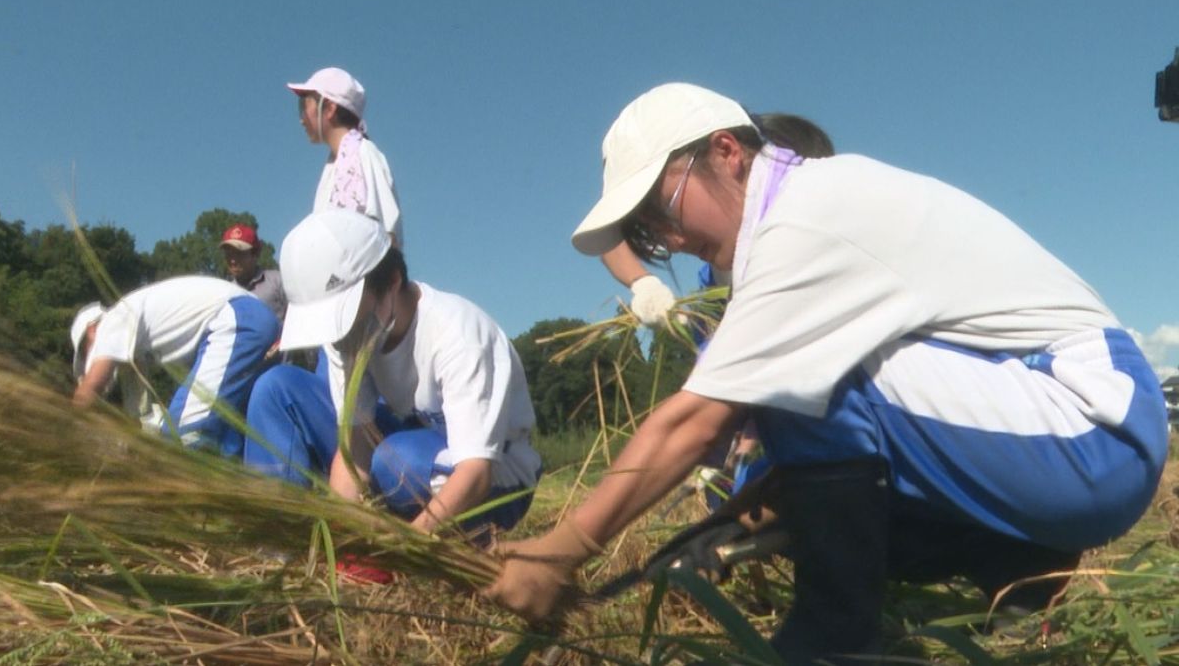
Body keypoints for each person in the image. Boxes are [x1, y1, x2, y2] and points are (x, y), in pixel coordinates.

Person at [483, 83, 1168, 663]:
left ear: (727, 151)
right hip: (1064, 436)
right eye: (648, 237)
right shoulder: (800, 214)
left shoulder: (809, 211)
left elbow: (695, 422)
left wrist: (559, 553)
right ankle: (1018, 575)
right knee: (810, 468)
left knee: (797, 375)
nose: (671, 240)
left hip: (1094, 424)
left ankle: (837, 631)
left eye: (661, 210)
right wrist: (737, 520)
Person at [242, 208, 541, 540]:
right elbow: (353, 445)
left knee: (395, 460)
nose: (343, 337)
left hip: (497, 477)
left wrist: (405, 546)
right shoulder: (348, 339)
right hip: (411, 444)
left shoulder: (458, 336)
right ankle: (279, 538)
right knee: (277, 389)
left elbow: (476, 471)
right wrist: (345, 532)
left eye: (350, 317)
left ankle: (431, 532)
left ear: (392, 283)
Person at [600, 113, 834, 328]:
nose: (673, 243)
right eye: (654, 231)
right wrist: (644, 283)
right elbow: (605, 234)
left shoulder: (819, 224)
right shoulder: (718, 282)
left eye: (667, 214)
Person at [71, 276, 279, 457]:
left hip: (237, 319)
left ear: (91, 330)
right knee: (225, 433)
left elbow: (94, 384)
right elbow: (138, 411)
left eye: (85, 352)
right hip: (250, 318)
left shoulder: (112, 320)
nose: (90, 356)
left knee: (183, 435)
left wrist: (65, 429)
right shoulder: (137, 339)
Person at [287, 67, 403, 248]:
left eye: (304, 105)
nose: (301, 118)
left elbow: (388, 235)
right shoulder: (334, 165)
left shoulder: (365, 154)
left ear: (329, 109)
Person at [220, 223, 287, 323]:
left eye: (239, 254)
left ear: (255, 254)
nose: (233, 261)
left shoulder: (277, 281)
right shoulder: (226, 295)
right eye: (229, 254)